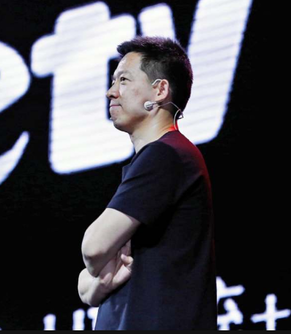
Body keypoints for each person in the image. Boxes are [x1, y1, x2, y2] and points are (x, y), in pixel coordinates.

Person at [76, 36, 217, 330]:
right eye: (113, 81)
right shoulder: (159, 158)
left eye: (124, 80)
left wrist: (97, 269)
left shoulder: (167, 155)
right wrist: (98, 278)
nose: (111, 92)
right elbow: (85, 288)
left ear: (160, 90)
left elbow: (93, 247)